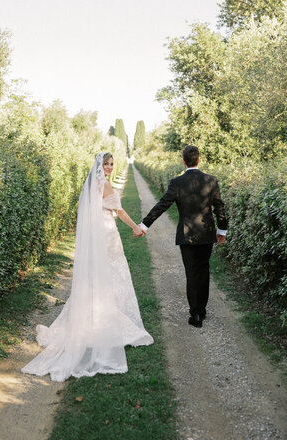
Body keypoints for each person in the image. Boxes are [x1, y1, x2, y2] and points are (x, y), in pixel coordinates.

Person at [21, 152, 153, 381]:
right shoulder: (106, 185)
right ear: (100, 166)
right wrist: (136, 227)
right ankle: (107, 318)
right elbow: (119, 212)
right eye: (107, 164)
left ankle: (93, 315)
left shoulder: (92, 183)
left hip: (96, 233)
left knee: (98, 276)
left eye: (112, 164)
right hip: (107, 233)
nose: (110, 167)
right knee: (112, 273)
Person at [137, 145, 227, 328]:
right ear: (199, 160)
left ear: (183, 161)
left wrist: (145, 224)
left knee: (191, 273)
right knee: (203, 271)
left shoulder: (176, 183)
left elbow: (162, 205)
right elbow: (220, 208)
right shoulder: (211, 180)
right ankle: (201, 310)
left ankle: (195, 315)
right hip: (206, 234)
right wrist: (222, 230)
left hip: (187, 236)